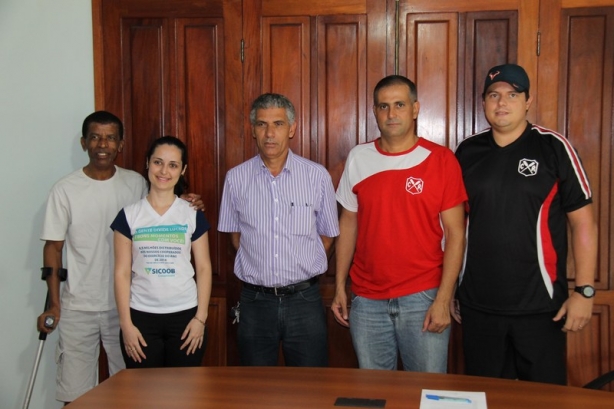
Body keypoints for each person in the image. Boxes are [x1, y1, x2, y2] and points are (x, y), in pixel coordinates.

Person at [38, 111, 202, 403]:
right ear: (83, 143)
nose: (103, 144)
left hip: (126, 308)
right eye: (95, 137)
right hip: (79, 305)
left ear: (121, 145)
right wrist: (54, 303)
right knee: (75, 394)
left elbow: (163, 202)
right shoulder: (64, 189)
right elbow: (53, 248)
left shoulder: (135, 183)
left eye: (110, 138)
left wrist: (189, 202)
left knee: (129, 392)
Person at [453, 63, 598, 385]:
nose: (502, 103)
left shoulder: (553, 148)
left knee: (543, 400)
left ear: (528, 101)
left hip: (541, 307)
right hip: (478, 306)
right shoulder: (467, 152)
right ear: (483, 102)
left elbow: (584, 223)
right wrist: (452, 287)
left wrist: (584, 292)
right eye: (494, 95)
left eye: (512, 95)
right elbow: (455, 226)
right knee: (483, 397)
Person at [331, 75, 467, 373]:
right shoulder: (358, 158)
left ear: (415, 109)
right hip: (366, 301)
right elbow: (348, 225)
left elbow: (457, 234)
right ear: (375, 111)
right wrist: (341, 285)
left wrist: (445, 298)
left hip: (424, 297)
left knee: (428, 394)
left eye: (400, 105)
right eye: (383, 106)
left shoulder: (441, 160)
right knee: (375, 396)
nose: (391, 114)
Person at [218, 93, 339, 367]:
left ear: (292, 128)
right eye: (261, 124)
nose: (269, 133)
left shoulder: (316, 176)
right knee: (256, 390)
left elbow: (328, 236)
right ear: (253, 130)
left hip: (304, 301)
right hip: (255, 302)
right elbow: (234, 237)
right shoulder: (236, 178)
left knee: (310, 388)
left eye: (278, 124)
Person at [111, 136, 212, 368]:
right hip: (140, 319)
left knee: (185, 396)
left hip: (186, 318)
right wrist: (126, 325)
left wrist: (201, 318)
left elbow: (204, 268)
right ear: (148, 163)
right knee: (144, 397)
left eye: (173, 165)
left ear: (182, 169)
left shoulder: (192, 213)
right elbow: (121, 273)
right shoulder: (128, 215)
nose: (164, 171)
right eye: (158, 162)